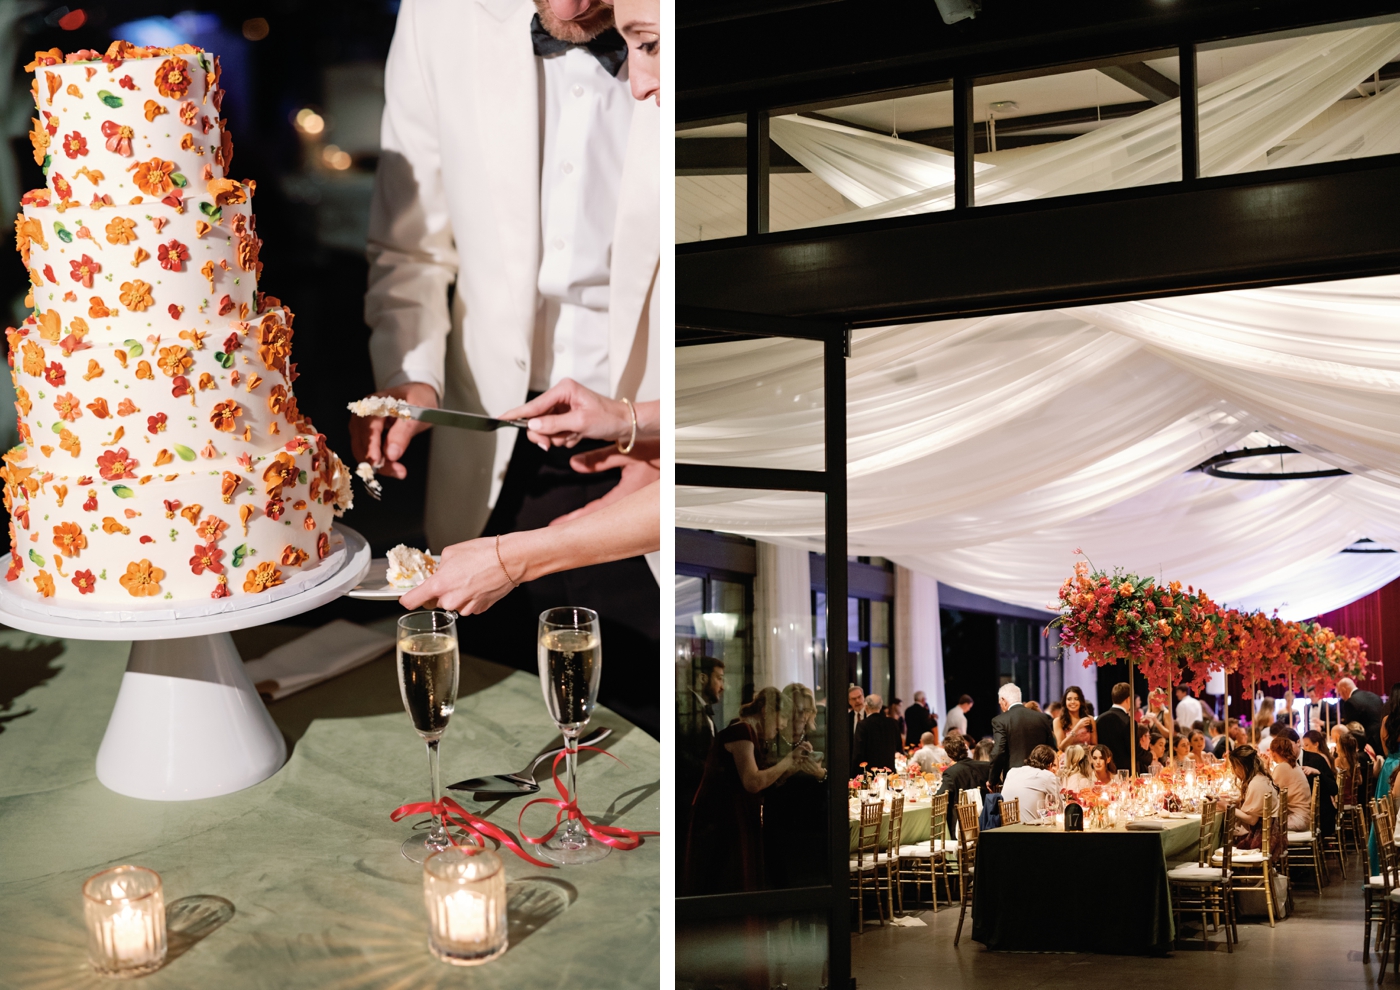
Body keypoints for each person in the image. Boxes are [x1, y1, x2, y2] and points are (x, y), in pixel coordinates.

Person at [359, 0, 659, 726]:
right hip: (489, 436)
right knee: (495, 702)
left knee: (641, 710)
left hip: (647, 450)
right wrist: (412, 371)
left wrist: (649, 423)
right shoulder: (438, 18)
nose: (565, 10)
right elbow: (411, 244)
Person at [683, 688, 812, 895]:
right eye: (784, 717)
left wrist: (792, 767)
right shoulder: (741, 731)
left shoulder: (749, 733)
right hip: (723, 820)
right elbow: (752, 782)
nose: (784, 724)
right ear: (766, 710)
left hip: (733, 816)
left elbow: (763, 779)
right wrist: (788, 759)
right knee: (726, 881)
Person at [677, 657, 724, 823]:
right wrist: (711, 771)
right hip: (686, 804)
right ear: (702, 678)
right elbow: (679, 753)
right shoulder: (685, 706)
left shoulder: (698, 708)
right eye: (719, 678)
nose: (722, 686)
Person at [989, 683, 1056, 785]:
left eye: (1000, 703)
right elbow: (1051, 748)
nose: (1001, 705)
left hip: (1014, 779)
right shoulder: (1042, 718)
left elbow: (998, 752)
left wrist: (992, 780)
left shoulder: (1000, 720)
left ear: (1003, 700)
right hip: (1041, 777)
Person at [1217, 744, 1281, 850]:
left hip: (1260, 839)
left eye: (1234, 767)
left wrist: (1227, 807)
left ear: (1241, 766)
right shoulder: (1260, 777)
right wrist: (1236, 801)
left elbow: (1252, 820)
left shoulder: (1256, 783)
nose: (1233, 771)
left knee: (1223, 835)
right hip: (1270, 834)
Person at [936, 736, 990, 838]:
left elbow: (940, 796)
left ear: (949, 755)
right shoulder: (986, 766)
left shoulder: (951, 772)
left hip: (962, 826)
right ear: (966, 748)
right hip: (986, 819)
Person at [1002, 745, 1061, 821]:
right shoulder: (1047, 775)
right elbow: (1061, 807)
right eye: (1055, 765)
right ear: (1050, 765)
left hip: (1005, 828)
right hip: (1031, 829)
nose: (1056, 770)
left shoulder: (1011, 772)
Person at [1268, 735, 1311, 832]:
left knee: (1263, 825)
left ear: (1274, 752)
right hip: (1305, 817)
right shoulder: (1293, 764)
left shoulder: (1282, 767)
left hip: (1298, 819)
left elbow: (1269, 791)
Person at [853, 694, 903, 772]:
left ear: (866, 707)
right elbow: (899, 747)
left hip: (870, 772)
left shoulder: (863, 724)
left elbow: (858, 752)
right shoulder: (893, 723)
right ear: (880, 707)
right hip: (889, 770)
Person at [1095, 682, 1134, 772]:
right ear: (1128, 699)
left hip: (1104, 770)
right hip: (1126, 772)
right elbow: (1133, 750)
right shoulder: (1129, 721)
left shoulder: (1099, 719)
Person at [1339, 678, 1384, 754]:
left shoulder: (1350, 702)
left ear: (1344, 689)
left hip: (1368, 745)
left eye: (1340, 693)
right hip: (1383, 738)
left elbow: (1352, 729)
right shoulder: (1374, 696)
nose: (1341, 697)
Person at [1054, 685, 1097, 751]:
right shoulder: (1058, 721)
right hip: (1067, 759)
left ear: (1081, 702)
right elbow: (1061, 747)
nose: (1073, 702)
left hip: (1086, 757)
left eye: (1076, 699)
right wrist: (1077, 727)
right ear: (1065, 702)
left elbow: (1095, 745)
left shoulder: (1090, 719)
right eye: (1069, 699)